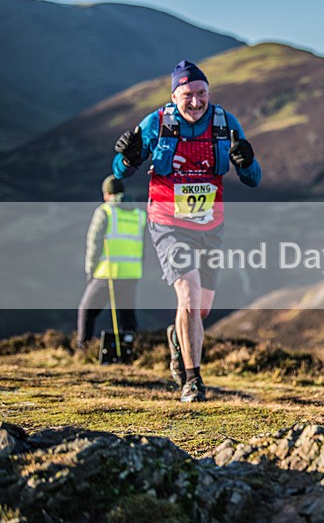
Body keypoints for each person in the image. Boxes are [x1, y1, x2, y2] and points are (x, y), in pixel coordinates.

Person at [112, 60, 262, 402]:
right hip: (167, 222)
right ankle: (192, 381)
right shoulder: (157, 123)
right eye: (187, 95)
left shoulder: (225, 123)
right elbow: (120, 170)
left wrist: (247, 162)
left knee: (201, 309)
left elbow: (253, 179)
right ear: (173, 96)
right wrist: (127, 157)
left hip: (211, 224)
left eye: (201, 93)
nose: (195, 102)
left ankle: (178, 338)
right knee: (190, 297)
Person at [77, 175, 146, 349]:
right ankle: (131, 350)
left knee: (87, 310)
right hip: (131, 272)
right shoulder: (139, 215)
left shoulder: (105, 211)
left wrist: (90, 271)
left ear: (107, 194)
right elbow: (143, 246)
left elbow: (94, 244)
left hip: (108, 272)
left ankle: (83, 349)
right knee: (126, 316)